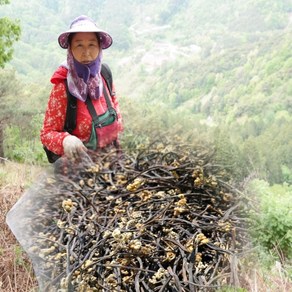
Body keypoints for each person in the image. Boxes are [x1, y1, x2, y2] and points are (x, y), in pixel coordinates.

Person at [40, 15, 123, 161]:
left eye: (91, 44)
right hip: (79, 173)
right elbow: (47, 134)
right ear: (70, 49)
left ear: (99, 47)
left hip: (111, 164)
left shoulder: (104, 75)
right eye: (79, 45)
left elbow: (115, 105)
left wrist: (117, 126)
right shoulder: (63, 87)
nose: (86, 52)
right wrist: (66, 140)